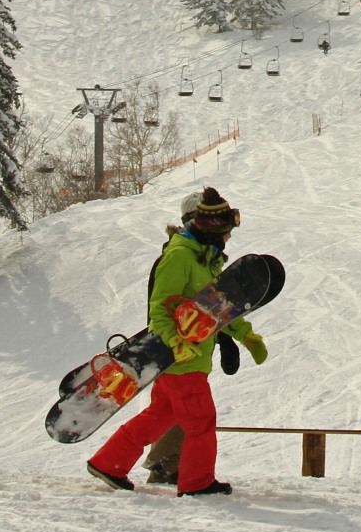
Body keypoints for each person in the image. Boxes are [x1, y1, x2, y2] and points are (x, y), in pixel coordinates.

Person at [87, 187, 267, 496]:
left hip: (189, 357)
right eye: (227, 231)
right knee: (201, 421)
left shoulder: (207, 257)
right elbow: (160, 308)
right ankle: (197, 483)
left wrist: (245, 334)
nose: (229, 238)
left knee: (158, 418)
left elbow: (218, 306)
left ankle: (109, 463)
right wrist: (176, 344)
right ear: (212, 229)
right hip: (181, 359)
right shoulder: (180, 256)